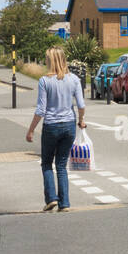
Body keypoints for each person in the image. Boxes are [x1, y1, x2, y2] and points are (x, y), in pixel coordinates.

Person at [25, 46, 86, 212]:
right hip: (69, 126)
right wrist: (81, 120)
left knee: (46, 163)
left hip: (51, 126)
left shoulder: (45, 81)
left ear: (50, 61)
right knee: (61, 165)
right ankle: (64, 203)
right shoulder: (74, 79)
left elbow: (41, 110)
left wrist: (31, 130)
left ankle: (51, 198)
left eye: (46, 59)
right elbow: (81, 105)